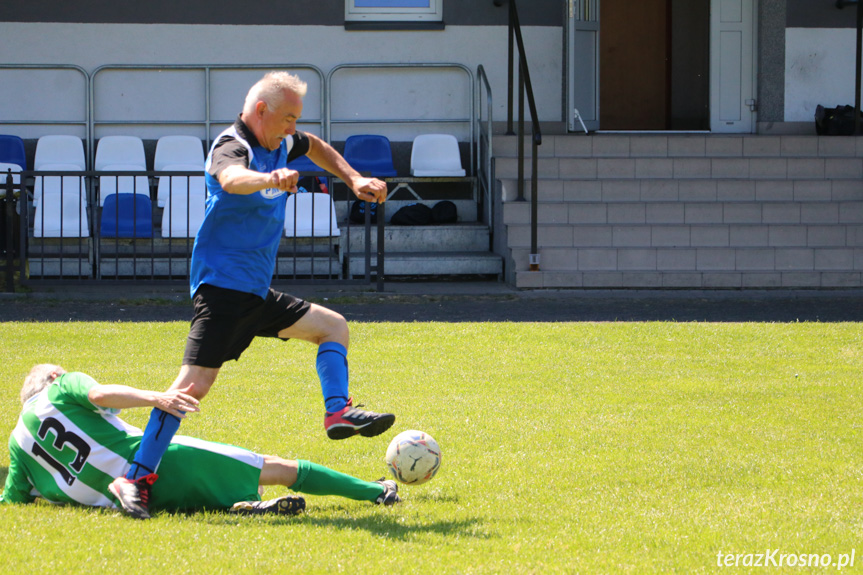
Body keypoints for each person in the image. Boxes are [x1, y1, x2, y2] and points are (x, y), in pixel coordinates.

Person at [109, 71, 396, 519]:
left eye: (295, 119)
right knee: (189, 390)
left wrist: (353, 178)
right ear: (260, 110)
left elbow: (315, 146)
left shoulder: (283, 139)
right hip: (222, 289)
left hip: (254, 292)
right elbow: (230, 179)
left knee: (332, 326)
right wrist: (270, 179)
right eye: (286, 119)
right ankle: (133, 478)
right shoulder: (232, 145)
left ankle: (337, 412)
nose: (291, 128)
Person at [1, 365, 399, 518]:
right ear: (52, 378)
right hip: (153, 466)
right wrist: (157, 397)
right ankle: (376, 492)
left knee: (201, 498)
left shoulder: (18, 443)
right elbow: (100, 396)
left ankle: (246, 506)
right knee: (275, 466)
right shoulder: (61, 387)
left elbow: (13, 500)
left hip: (130, 503)